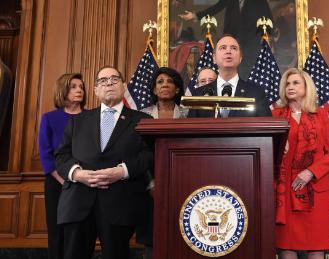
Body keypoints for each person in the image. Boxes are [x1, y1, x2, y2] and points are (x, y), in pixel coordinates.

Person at [55, 66, 153, 259]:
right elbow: (61, 156)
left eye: (114, 79)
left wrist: (122, 171)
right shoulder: (78, 121)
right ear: (96, 90)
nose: (109, 83)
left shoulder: (143, 120)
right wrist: (77, 174)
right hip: (78, 201)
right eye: (103, 81)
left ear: (124, 86)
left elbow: (149, 155)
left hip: (119, 202)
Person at [272, 68, 329, 259]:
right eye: (287, 83)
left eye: (295, 83)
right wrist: (277, 148)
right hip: (284, 191)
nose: (290, 87)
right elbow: (266, 149)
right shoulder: (276, 115)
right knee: (286, 245)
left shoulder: (320, 115)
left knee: (316, 244)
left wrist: (310, 172)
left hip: (313, 189)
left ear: (306, 87)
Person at [136, 67, 185, 259]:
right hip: (149, 184)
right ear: (154, 90)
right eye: (160, 81)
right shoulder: (141, 116)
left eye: (170, 81)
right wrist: (151, 184)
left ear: (178, 89)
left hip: (182, 180)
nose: (165, 84)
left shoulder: (188, 115)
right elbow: (138, 152)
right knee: (153, 238)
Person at [38, 73, 86, 259]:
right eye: (73, 86)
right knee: (57, 231)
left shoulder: (90, 116)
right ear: (63, 90)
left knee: (80, 233)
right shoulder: (49, 118)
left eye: (81, 87)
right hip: (56, 183)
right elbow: (45, 154)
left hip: (83, 184)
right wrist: (63, 179)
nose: (79, 90)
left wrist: (80, 178)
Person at [178, 0, 273, 79]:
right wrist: (196, 16)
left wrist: (268, 37)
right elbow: (216, 8)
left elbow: (268, 18)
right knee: (230, 67)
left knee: (247, 68)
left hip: (251, 41)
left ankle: (245, 93)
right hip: (232, 38)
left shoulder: (260, 1)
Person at [189, 34, 271, 117]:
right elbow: (191, 127)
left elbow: (266, 127)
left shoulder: (256, 93)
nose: (228, 51)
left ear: (240, 58)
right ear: (214, 58)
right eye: (223, 48)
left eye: (233, 48)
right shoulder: (199, 94)